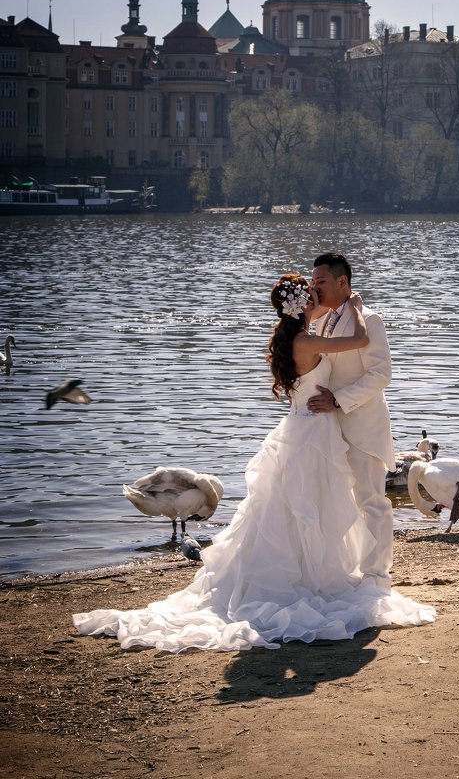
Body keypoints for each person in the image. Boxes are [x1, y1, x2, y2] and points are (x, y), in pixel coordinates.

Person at [72, 274, 435, 652]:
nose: (317, 293)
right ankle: (313, 579)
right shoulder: (308, 339)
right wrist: (357, 308)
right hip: (312, 436)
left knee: (296, 508)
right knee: (307, 508)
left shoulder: (292, 337)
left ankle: (309, 575)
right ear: (302, 304)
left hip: (301, 429)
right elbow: (359, 341)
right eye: (312, 291)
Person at [308, 252, 395, 590]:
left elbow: (381, 374)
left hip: (362, 424)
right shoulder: (324, 320)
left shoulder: (370, 320)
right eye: (313, 282)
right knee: (338, 502)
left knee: (372, 500)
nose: (316, 288)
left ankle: (376, 575)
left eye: (322, 282)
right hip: (327, 428)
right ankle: (348, 568)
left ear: (343, 282)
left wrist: (339, 400)